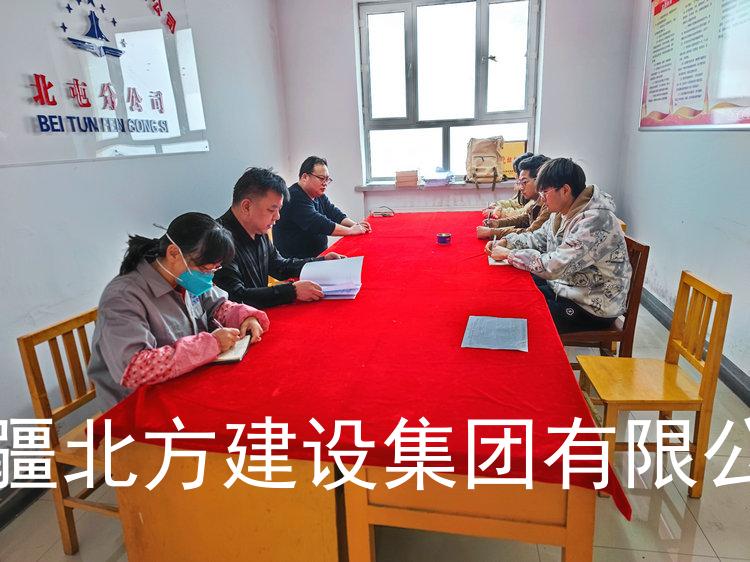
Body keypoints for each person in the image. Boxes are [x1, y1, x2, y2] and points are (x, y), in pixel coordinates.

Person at [87, 213, 270, 410]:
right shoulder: (123, 297)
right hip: (139, 404)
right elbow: (135, 370)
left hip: (187, 381)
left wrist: (244, 317)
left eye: (214, 270)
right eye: (204, 269)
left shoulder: (184, 278)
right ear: (174, 253)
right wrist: (212, 344)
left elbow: (217, 306)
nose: (208, 277)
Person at [486, 158, 632, 333]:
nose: (541, 199)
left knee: (523, 315)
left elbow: (554, 266)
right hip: (566, 287)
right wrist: (508, 242)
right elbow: (537, 238)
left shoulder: (595, 221)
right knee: (514, 290)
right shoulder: (561, 212)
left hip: (592, 305)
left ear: (565, 190)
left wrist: (509, 254)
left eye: (545, 192)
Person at [214, 167, 345, 308]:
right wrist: (292, 291)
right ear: (246, 207)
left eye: (279, 209)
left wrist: (321, 262)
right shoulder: (217, 240)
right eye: (272, 210)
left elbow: (279, 267)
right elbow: (236, 297)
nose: (277, 217)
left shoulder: (257, 228)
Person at [272, 156, 371, 258]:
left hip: (319, 256)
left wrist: (355, 225)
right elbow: (319, 223)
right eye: (321, 178)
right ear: (305, 177)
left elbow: (334, 213)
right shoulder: (293, 196)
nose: (325, 183)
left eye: (327, 179)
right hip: (297, 262)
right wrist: (350, 231)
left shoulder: (317, 194)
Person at [477, 154, 551, 239]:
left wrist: (491, 232)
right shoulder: (538, 200)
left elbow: (530, 233)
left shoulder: (549, 205)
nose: (521, 187)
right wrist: (498, 223)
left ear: (538, 180)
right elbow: (526, 218)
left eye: (524, 182)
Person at [480, 151, 533, 219]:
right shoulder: (526, 188)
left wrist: (498, 212)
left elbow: (522, 215)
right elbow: (516, 203)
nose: (516, 177)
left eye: (517, 173)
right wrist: (497, 205)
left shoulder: (536, 197)